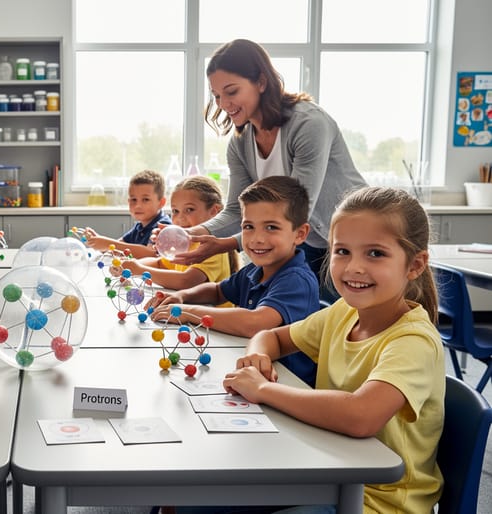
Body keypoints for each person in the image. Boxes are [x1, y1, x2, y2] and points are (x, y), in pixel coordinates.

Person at [217, 186, 443, 513]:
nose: (353, 268)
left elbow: (360, 415)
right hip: (325, 471)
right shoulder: (343, 313)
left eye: (375, 254)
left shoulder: (413, 341)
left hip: (376, 500)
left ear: (415, 265)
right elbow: (272, 337)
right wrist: (258, 354)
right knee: (210, 497)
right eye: (342, 252)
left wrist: (264, 389)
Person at [170, 39, 367, 299]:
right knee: (313, 322)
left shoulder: (308, 124)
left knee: (356, 322)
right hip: (306, 240)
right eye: (217, 95)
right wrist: (192, 233)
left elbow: (299, 210)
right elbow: (234, 210)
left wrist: (228, 244)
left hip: (358, 237)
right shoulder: (240, 143)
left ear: (261, 82)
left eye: (231, 91)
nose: (223, 103)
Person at [147, 176, 319, 385]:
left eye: (271, 227)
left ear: (300, 234)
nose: (257, 238)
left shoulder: (296, 279)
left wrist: (190, 313)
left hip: (287, 384)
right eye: (248, 227)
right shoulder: (255, 270)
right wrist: (183, 296)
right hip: (253, 375)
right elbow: (218, 290)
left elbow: (255, 323)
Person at [120, 175, 236, 291]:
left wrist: (139, 270)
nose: (180, 219)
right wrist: (129, 265)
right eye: (175, 211)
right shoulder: (184, 242)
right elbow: (160, 263)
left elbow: (186, 281)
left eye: (189, 210)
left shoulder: (214, 248)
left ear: (214, 211)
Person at [82, 169, 171, 258]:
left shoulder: (163, 226)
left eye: (145, 199)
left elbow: (151, 254)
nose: (137, 205)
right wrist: (97, 241)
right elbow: (117, 248)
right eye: (133, 200)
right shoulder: (138, 227)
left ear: (161, 203)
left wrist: (107, 244)